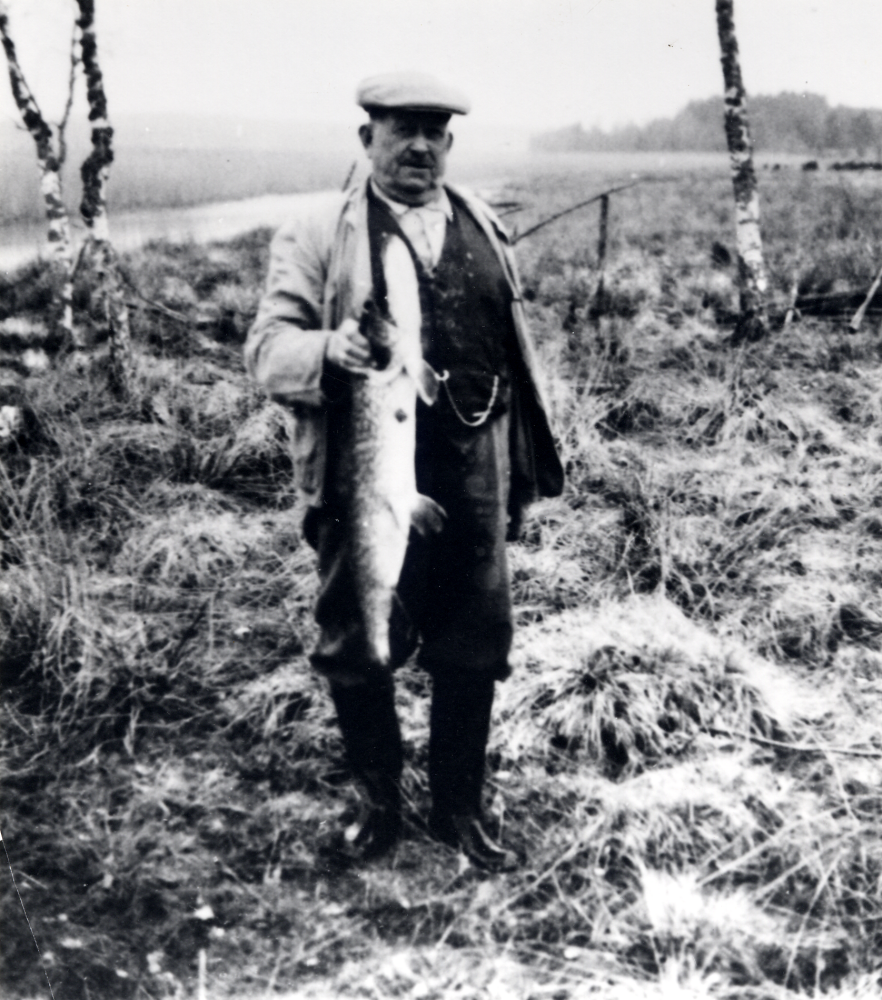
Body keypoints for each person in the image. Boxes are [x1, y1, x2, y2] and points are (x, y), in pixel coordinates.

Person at [245, 71, 563, 871]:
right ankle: (378, 805)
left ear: (449, 143)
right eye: (401, 131)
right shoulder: (318, 231)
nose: (420, 147)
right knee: (358, 632)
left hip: (475, 460)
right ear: (368, 140)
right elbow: (267, 350)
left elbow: (511, 351)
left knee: (476, 636)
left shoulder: (481, 222)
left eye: (434, 132)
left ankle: (458, 808)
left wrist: (520, 464)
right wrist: (330, 349)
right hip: (362, 467)